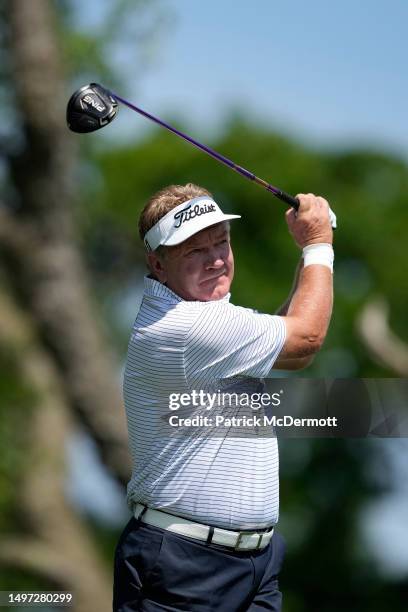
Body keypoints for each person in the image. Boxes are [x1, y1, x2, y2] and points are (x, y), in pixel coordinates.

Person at [113, 183, 334, 611]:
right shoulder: (186, 328)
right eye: (195, 251)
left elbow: (285, 344)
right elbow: (305, 340)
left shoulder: (210, 322)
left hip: (255, 563)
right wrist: (319, 244)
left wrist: (309, 250)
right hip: (184, 566)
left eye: (221, 242)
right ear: (158, 264)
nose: (216, 259)